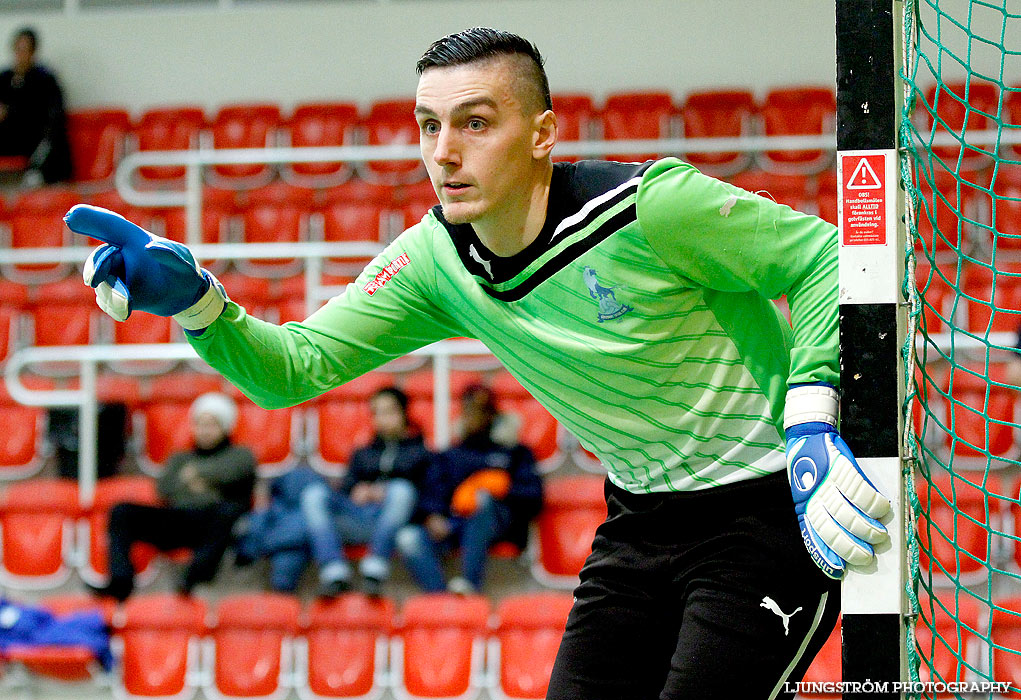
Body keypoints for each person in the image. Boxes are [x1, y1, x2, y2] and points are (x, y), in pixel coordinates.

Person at [66, 27, 892, 699]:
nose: (444, 152)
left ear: (540, 134)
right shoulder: (433, 259)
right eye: (428, 125)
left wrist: (812, 422)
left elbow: (828, 256)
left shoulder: (653, 206)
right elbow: (294, 368)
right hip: (638, 522)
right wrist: (201, 305)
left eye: (474, 122)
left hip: (763, 514)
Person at [236, 386, 430, 596]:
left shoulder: (422, 453)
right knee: (313, 494)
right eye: (376, 413)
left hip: (393, 523)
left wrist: (383, 492)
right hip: (356, 518)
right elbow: (347, 488)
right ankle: (333, 571)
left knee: (402, 491)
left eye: (389, 411)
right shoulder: (363, 452)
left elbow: (428, 497)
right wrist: (357, 490)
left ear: (403, 413)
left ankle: (375, 568)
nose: (382, 418)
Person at [87, 392, 257, 601]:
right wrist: (211, 484)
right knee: (122, 511)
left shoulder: (240, 455)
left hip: (213, 524)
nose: (204, 431)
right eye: (200, 424)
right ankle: (121, 582)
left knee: (227, 512)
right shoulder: (180, 457)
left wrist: (195, 476)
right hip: (178, 518)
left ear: (225, 427)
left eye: (211, 424)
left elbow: (233, 472)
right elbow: (165, 488)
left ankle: (195, 578)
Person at [397, 384, 543, 594]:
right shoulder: (451, 455)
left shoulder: (515, 453)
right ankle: (441, 600)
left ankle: (469, 584)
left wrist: (501, 488)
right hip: (454, 524)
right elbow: (432, 491)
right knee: (408, 537)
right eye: (468, 409)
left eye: (480, 410)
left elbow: (534, 497)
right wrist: (432, 516)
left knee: (482, 499)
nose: (472, 416)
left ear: (493, 415)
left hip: (500, 525)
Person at [0, 27, 71, 184]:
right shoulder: (4, 78)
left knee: (53, 142)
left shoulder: (45, 79)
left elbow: (54, 115)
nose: (20, 55)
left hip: (35, 137)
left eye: (25, 50)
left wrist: (12, 112)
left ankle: (35, 176)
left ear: (33, 52)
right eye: (18, 50)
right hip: (8, 138)